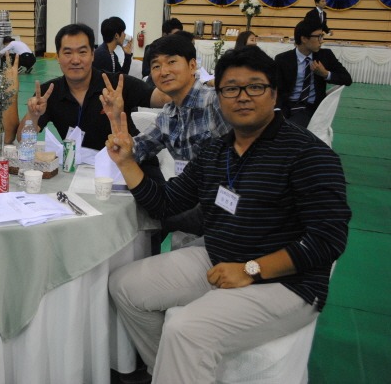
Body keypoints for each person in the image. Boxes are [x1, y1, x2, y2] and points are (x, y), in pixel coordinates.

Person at [106, 45, 350, 383]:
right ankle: (170, 370)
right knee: (124, 286)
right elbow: (165, 203)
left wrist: (252, 269)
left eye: (255, 87)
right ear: (219, 96)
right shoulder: (215, 151)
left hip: (286, 283)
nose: (243, 97)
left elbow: (328, 240)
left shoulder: (308, 154)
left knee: (185, 329)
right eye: (231, 89)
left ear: (274, 93)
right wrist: (126, 163)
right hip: (218, 258)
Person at [109, 34, 230, 246]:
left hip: (224, 211)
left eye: (172, 62)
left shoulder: (215, 102)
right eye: (156, 66)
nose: (163, 71)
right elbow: (136, 149)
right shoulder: (168, 115)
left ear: (192, 66)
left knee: (144, 218)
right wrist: (117, 117)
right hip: (188, 199)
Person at [18, 23, 165, 150]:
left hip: (125, 164)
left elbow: (161, 98)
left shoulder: (116, 84)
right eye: (67, 53)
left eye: (82, 52)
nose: (75, 60)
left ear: (93, 55)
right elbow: (22, 140)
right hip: (77, 168)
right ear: (58, 57)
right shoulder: (48, 93)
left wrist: (167, 76)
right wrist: (33, 116)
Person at [274, 19, 352, 127]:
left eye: (322, 36)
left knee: (290, 128)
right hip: (285, 106)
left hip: (309, 107)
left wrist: (325, 74)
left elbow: (347, 79)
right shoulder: (283, 59)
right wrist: (277, 110)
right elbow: (275, 88)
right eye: (318, 36)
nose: (321, 41)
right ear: (304, 39)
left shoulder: (325, 56)